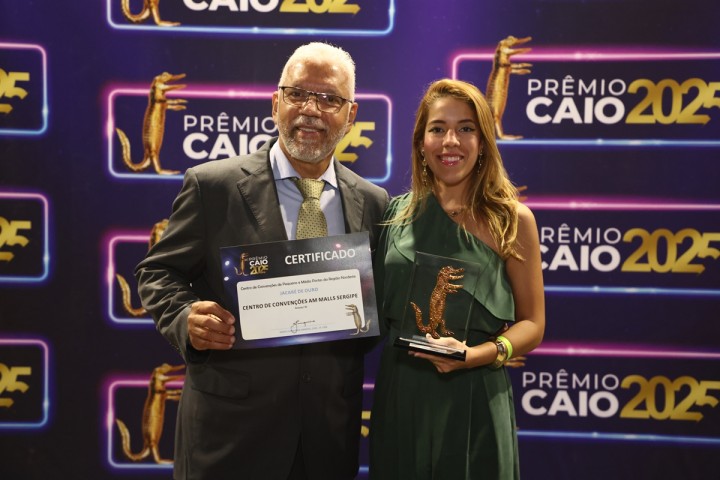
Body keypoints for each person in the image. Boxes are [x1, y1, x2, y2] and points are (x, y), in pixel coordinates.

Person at [135, 42, 389, 480]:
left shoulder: (373, 202)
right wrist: (185, 317)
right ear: (275, 104)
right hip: (230, 439)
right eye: (298, 94)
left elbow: (374, 309)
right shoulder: (213, 186)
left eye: (329, 99)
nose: (311, 109)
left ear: (351, 115)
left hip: (325, 441)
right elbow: (157, 272)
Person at [368, 79, 545, 479]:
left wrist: (474, 356)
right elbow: (363, 309)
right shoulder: (394, 215)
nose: (451, 141)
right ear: (421, 142)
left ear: (482, 142)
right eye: (438, 128)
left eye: (465, 128)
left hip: (476, 397)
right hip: (402, 396)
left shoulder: (513, 221)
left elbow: (533, 324)